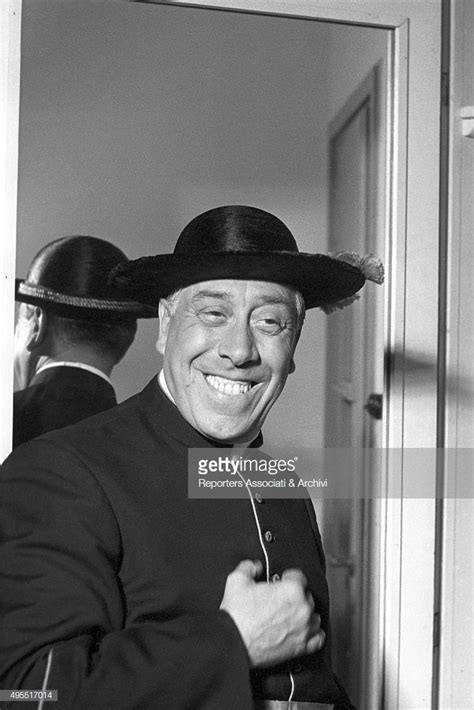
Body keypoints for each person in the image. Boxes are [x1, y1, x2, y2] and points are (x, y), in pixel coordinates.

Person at [1, 206, 382, 709]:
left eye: (269, 322)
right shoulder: (58, 471)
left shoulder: (281, 483)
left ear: (293, 348)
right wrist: (231, 641)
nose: (239, 350)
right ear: (164, 325)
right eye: (213, 314)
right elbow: (25, 692)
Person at [12, 235, 156, 448]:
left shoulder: (7, 420)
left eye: (20, 319)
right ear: (128, 337)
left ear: (36, 324)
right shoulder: (151, 442)